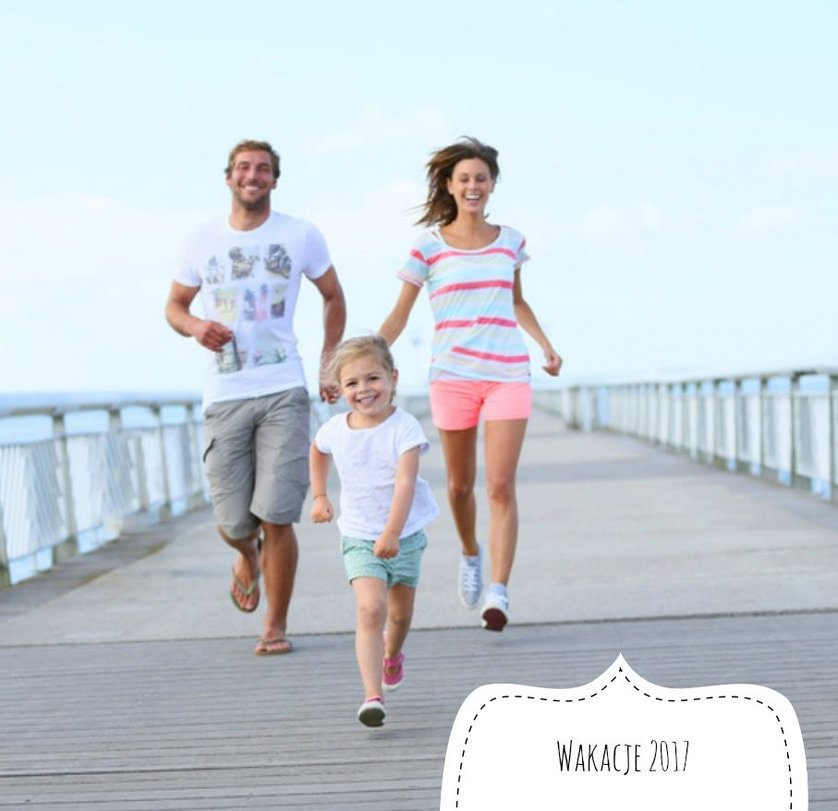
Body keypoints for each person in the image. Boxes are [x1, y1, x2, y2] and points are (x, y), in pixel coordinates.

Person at [165, 139, 346, 656]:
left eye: (263, 169)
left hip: (283, 388)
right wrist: (196, 326)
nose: (253, 175)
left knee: (277, 515)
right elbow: (175, 306)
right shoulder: (201, 238)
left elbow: (333, 295)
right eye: (244, 168)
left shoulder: (300, 234)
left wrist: (328, 362)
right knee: (233, 522)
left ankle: (274, 626)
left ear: (274, 180)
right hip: (224, 394)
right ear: (229, 177)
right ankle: (246, 555)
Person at [378, 136, 562, 633]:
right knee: (460, 486)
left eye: (481, 178)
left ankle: (498, 591)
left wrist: (545, 345)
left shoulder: (510, 241)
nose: (473, 186)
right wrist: (366, 356)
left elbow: (516, 301)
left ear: (493, 184)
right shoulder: (428, 246)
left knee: (500, 485)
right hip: (453, 376)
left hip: (507, 374)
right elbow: (400, 314)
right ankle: (470, 551)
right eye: (464, 179)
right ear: (449, 185)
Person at [309, 335, 438, 727]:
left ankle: (392, 655)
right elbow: (317, 449)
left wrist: (393, 533)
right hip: (359, 535)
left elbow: (405, 483)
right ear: (339, 389)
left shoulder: (405, 427)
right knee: (371, 609)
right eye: (352, 383)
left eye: (372, 378)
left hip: (405, 535)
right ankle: (372, 696)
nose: (363, 389)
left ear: (392, 378)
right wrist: (319, 495)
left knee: (399, 617)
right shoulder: (336, 428)